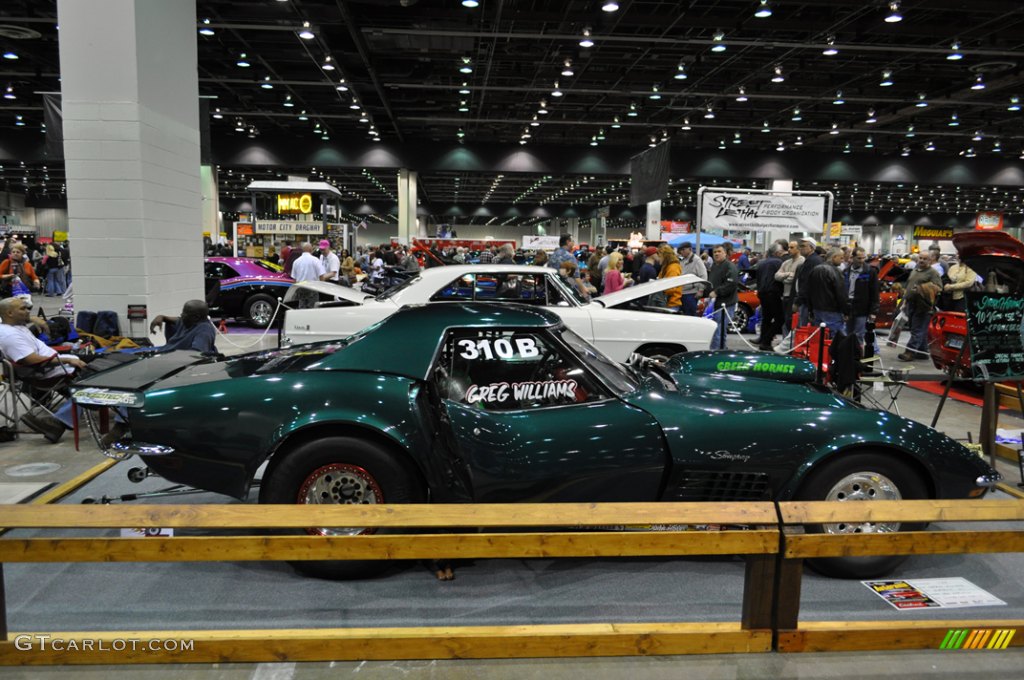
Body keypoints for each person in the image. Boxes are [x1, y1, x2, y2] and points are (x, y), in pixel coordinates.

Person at [0, 297, 87, 442]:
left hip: (55, 362)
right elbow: (30, 360)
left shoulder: (12, 325)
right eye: (23, 309)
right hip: (48, 370)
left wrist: (34, 319)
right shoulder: (9, 335)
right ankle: (60, 422)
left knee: (108, 361)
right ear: (9, 313)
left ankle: (69, 412)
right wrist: (67, 359)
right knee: (98, 377)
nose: (28, 311)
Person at [899, 252, 942, 361]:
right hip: (911, 304)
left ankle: (909, 352)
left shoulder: (933, 273)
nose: (922, 260)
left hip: (923, 306)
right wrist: (904, 302)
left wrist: (922, 288)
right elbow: (909, 285)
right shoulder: (915, 270)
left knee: (917, 330)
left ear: (930, 260)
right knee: (916, 329)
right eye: (920, 258)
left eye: (925, 259)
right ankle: (922, 352)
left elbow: (939, 288)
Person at [148, 300, 218, 354]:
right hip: (165, 354)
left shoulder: (204, 331)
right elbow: (173, 320)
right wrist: (161, 317)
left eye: (185, 313)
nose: (181, 315)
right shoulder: (189, 322)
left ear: (196, 317)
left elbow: (196, 355)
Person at [808, 248, 848, 337]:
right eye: (841, 258)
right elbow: (841, 293)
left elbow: (809, 291)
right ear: (834, 257)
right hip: (832, 311)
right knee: (836, 339)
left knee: (819, 339)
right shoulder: (836, 272)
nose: (842, 261)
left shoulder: (815, 270)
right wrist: (846, 311)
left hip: (816, 310)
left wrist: (810, 309)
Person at [845, 247, 880, 349]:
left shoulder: (870, 272)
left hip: (862, 308)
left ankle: (858, 357)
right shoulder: (846, 271)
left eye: (863, 258)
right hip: (848, 307)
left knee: (859, 335)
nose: (862, 261)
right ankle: (849, 355)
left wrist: (873, 311)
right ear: (853, 258)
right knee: (848, 333)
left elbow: (874, 293)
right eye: (859, 258)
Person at [707, 245, 739, 350]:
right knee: (716, 330)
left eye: (719, 251)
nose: (716, 253)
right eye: (715, 252)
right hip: (715, 303)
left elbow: (731, 283)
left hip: (726, 303)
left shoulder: (730, 266)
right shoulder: (715, 266)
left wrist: (717, 292)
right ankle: (720, 349)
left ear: (725, 253)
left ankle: (717, 352)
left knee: (718, 330)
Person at [755, 242, 785, 350]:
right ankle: (766, 340)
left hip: (762, 293)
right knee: (780, 319)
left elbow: (757, 279)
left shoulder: (761, 263)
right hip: (773, 293)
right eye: (781, 252)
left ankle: (763, 341)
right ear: (777, 252)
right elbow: (780, 279)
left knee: (766, 318)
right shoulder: (779, 262)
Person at [793, 237, 822, 327]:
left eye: (803, 246)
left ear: (812, 248)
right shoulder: (811, 260)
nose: (800, 248)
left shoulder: (812, 261)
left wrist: (798, 301)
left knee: (805, 329)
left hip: (807, 302)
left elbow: (806, 283)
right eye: (800, 246)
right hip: (809, 301)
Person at [677, 242, 707, 316]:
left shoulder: (697, 260)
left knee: (690, 315)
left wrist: (701, 290)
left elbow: (703, 276)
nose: (681, 252)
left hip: (691, 293)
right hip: (683, 292)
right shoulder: (683, 260)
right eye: (681, 250)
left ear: (690, 249)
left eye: (683, 249)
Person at [656, 244, 682, 313]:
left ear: (665, 256)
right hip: (667, 303)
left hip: (671, 304)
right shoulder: (667, 267)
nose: (658, 258)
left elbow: (671, 288)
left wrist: (659, 287)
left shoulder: (673, 267)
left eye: (660, 256)